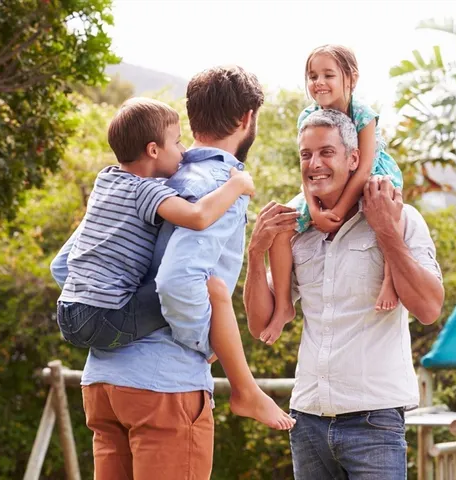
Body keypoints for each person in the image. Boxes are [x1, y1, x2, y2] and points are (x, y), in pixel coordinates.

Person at [50, 66, 294, 480]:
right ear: (246, 119)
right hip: (163, 385)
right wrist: (205, 340)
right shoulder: (220, 182)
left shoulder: (133, 179)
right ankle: (245, 388)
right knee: (213, 290)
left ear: (191, 116)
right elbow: (177, 281)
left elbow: (65, 265)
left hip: (103, 384)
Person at [244, 109, 444, 480]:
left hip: (374, 422)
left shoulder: (402, 217)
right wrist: (255, 253)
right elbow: (260, 323)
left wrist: (386, 231)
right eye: (306, 155)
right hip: (306, 420)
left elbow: (429, 308)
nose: (314, 164)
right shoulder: (296, 229)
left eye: (326, 152)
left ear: (354, 159)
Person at [56, 97, 256, 350]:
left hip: (67, 311)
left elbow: (60, 266)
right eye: (177, 142)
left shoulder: (105, 180)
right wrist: (238, 184)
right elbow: (198, 216)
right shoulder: (145, 191)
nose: (184, 151)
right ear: (153, 150)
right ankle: (214, 349)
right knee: (195, 288)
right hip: (106, 317)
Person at [262, 44, 405, 346]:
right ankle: (285, 305)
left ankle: (391, 283)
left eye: (329, 74)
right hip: (326, 183)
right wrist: (314, 211)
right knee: (282, 223)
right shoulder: (308, 116)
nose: (319, 82)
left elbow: (363, 168)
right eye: (313, 75)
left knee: (388, 205)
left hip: (369, 175)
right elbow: (306, 170)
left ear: (351, 78)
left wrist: (338, 210)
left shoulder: (363, 114)